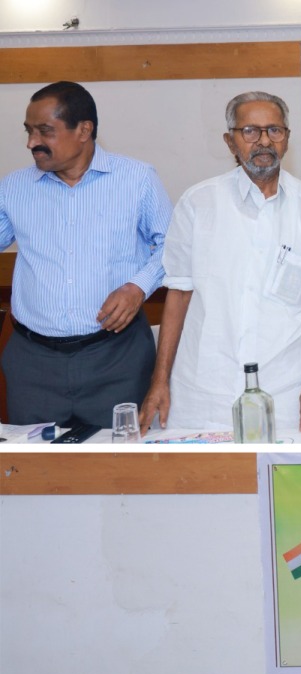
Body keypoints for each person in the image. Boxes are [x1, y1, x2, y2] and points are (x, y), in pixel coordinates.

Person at [139, 91, 301, 434]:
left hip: (287, 388)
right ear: (230, 141)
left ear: (286, 139)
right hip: (204, 387)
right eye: (250, 131)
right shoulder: (198, 203)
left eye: (274, 131)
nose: (263, 141)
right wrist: (159, 380)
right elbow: (178, 294)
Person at [1, 81, 172, 427]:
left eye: (45, 131)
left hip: (116, 358)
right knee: (36, 475)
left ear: (84, 130)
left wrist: (137, 287)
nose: (32, 142)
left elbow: (173, 245)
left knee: (119, 471)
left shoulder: (136, 179)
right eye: (29, 131)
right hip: (33, 364)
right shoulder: (13, 188)